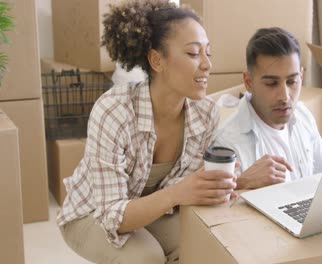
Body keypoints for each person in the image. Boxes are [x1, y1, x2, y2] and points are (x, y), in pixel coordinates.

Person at [56, 1, 236, 263]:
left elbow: (188, 190)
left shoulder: (206, 113)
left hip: (154, 209)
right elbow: (112, 215)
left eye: (208, 53)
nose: (207, 64)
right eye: (194, 54)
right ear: (156, 60)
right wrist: (179, 192)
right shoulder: (113, 111)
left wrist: (226, 184)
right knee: (146, 257)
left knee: (207, 239)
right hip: (93, 213)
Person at [215, 27, 322, 190]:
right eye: (271, 84)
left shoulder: (302, 115)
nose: (285, 96)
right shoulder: (227, 142)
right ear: (248, 82)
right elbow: (217, 209)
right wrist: (241, 183)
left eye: (292, 82)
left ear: (301, 76)